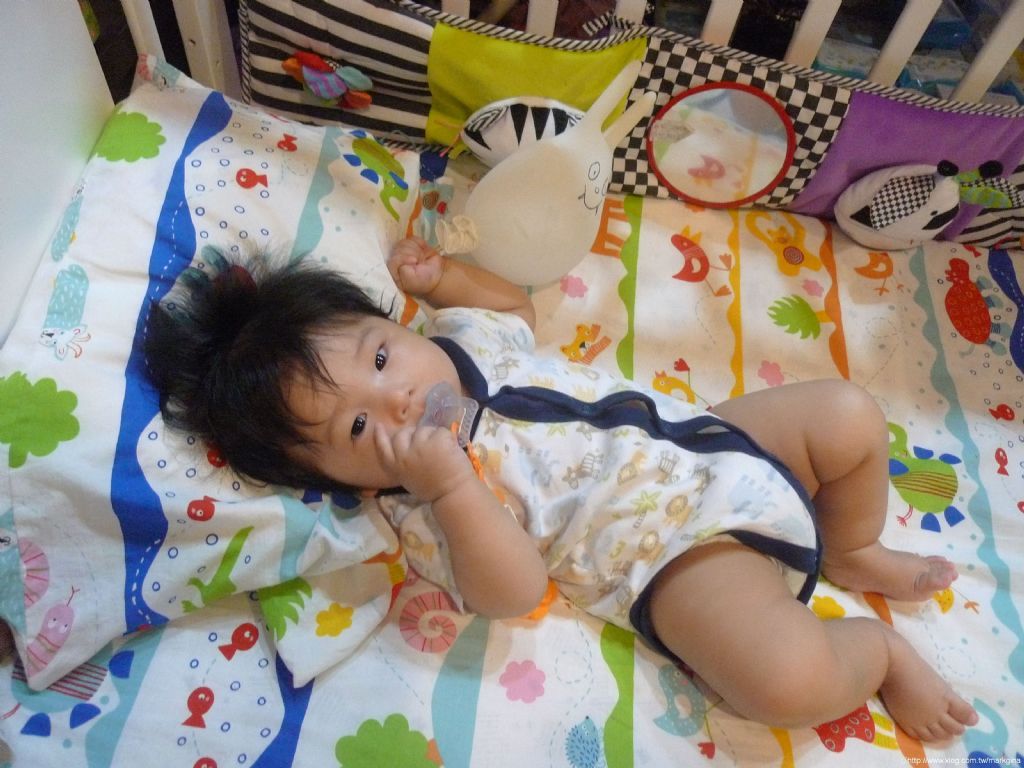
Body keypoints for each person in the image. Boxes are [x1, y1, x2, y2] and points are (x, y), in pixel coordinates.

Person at [145, 237, 978, 741]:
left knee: (848, 414)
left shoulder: (464, 342)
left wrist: (447, 279)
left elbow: (514, 307)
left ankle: (853, 546)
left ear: (394, 323)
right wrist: (453, 489)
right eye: (358, 428)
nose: (395, 400)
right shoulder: (422, 510)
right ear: (330, 481)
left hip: (712, 440)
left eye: (382, 357)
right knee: (783, 683)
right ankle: (880, 653)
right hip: (677, 558)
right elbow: (513, 592)